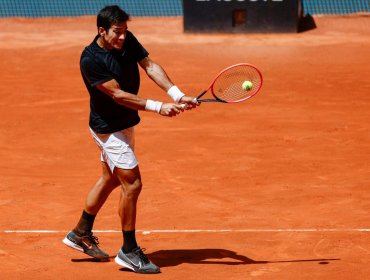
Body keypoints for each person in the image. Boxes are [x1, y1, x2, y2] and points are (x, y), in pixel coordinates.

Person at [62, 5, 198, 274]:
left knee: (110, 178)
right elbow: (118, 95)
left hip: (124, 124)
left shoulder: (127, 39)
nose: (122, 37)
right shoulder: (91, 59)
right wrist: (159, 107)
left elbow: (149, 65)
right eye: (117, 32)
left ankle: (80, 232)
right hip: (108, 129)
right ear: (102, 31)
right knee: (132, 183)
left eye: (125, 31)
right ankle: (129, 250)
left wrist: (177, 94)